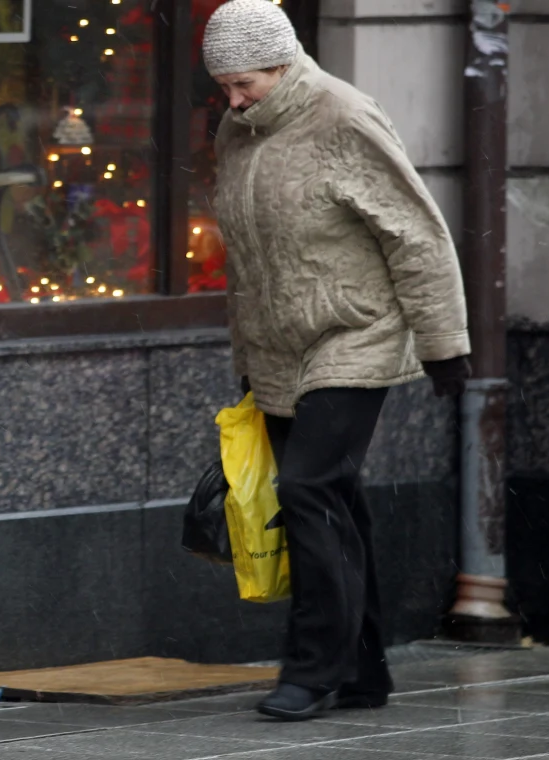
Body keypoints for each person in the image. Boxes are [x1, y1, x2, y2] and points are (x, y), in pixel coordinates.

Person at [202, 0, 473, 722]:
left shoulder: (344, 118)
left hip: (357, 331)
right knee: (335, 501)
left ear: (283, 64)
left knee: (307, 490)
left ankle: (313, 668)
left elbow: (417, 233)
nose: (231, 100)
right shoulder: (237, 131)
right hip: (280, 345)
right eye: (222, 87)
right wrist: (249, 359)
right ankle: (363, 670)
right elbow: (250, 260)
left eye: (244, 85)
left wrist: (445, 344)